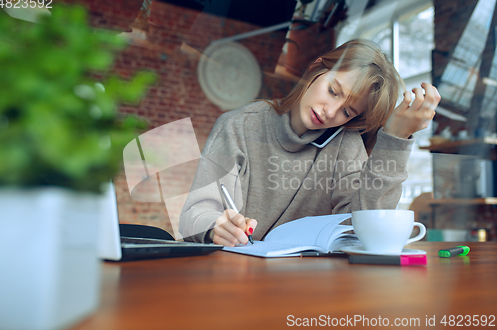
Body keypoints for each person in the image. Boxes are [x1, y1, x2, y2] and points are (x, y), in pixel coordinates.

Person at [179, 39, 440, 247]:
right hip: (235, 276)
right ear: (317, 69)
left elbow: (368, 227)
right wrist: (216, 226)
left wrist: (395, 140)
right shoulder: (239, 126)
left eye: (347, 112)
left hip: (307, 285)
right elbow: (194, 214)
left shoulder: (344, 144)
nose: (330, 111)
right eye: (332, 91)